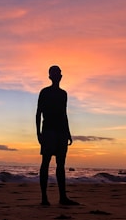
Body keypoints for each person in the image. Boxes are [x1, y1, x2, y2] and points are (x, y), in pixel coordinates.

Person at [36, 65, 79, 206]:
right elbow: (38, 113)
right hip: (48, 131)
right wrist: (38, 133)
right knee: (46, 163)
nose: (56, 76)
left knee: (61, 164)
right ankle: (44, 198)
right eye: (53, 73)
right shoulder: (45, 92)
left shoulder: (63, 94)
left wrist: (68, 132)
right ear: (50, 77)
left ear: (61, 76)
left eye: (58, 73)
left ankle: (62, 197)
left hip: (60, 131)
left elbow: (64, 114)